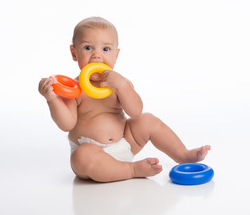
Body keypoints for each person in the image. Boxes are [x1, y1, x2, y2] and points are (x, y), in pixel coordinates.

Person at [38, 17, 211, 182]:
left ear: (116, 55)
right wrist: (52, 99)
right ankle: (131, 170)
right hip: (92, 152)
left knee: (148, 120)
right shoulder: (74, 88)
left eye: (105, 49)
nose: (97, 55)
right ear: (74, 53)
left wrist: (122, 87)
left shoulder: (119, 84)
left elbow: (136, 112)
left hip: (124, 144)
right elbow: (66, 124)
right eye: (88, 48)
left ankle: (182, 155)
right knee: (81, 156)